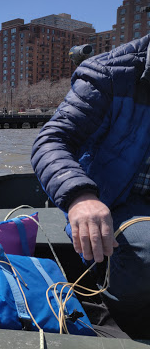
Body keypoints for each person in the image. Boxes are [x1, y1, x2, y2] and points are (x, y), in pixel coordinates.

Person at [31, 33, 150, 337]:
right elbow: (52, 140)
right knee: (145, 250)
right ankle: (120, 323)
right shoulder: (110, 73)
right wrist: (80, 196)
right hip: (114, 203)